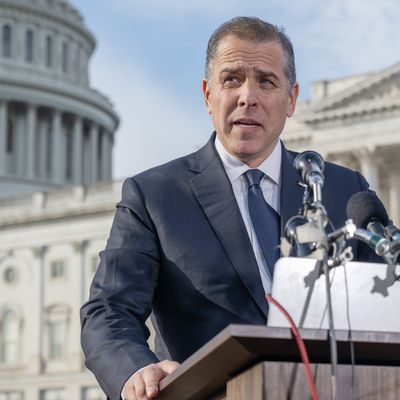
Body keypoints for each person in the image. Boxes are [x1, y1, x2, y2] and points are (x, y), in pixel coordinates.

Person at [80, 17, 378, 400]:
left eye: (266, 81)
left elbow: (383, 298)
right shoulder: (154, 196)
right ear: (208, 95)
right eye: (232, 79)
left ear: (291, 99)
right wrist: (137, 369)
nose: (247, 97)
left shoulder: (343, 189)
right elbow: (108, 310)